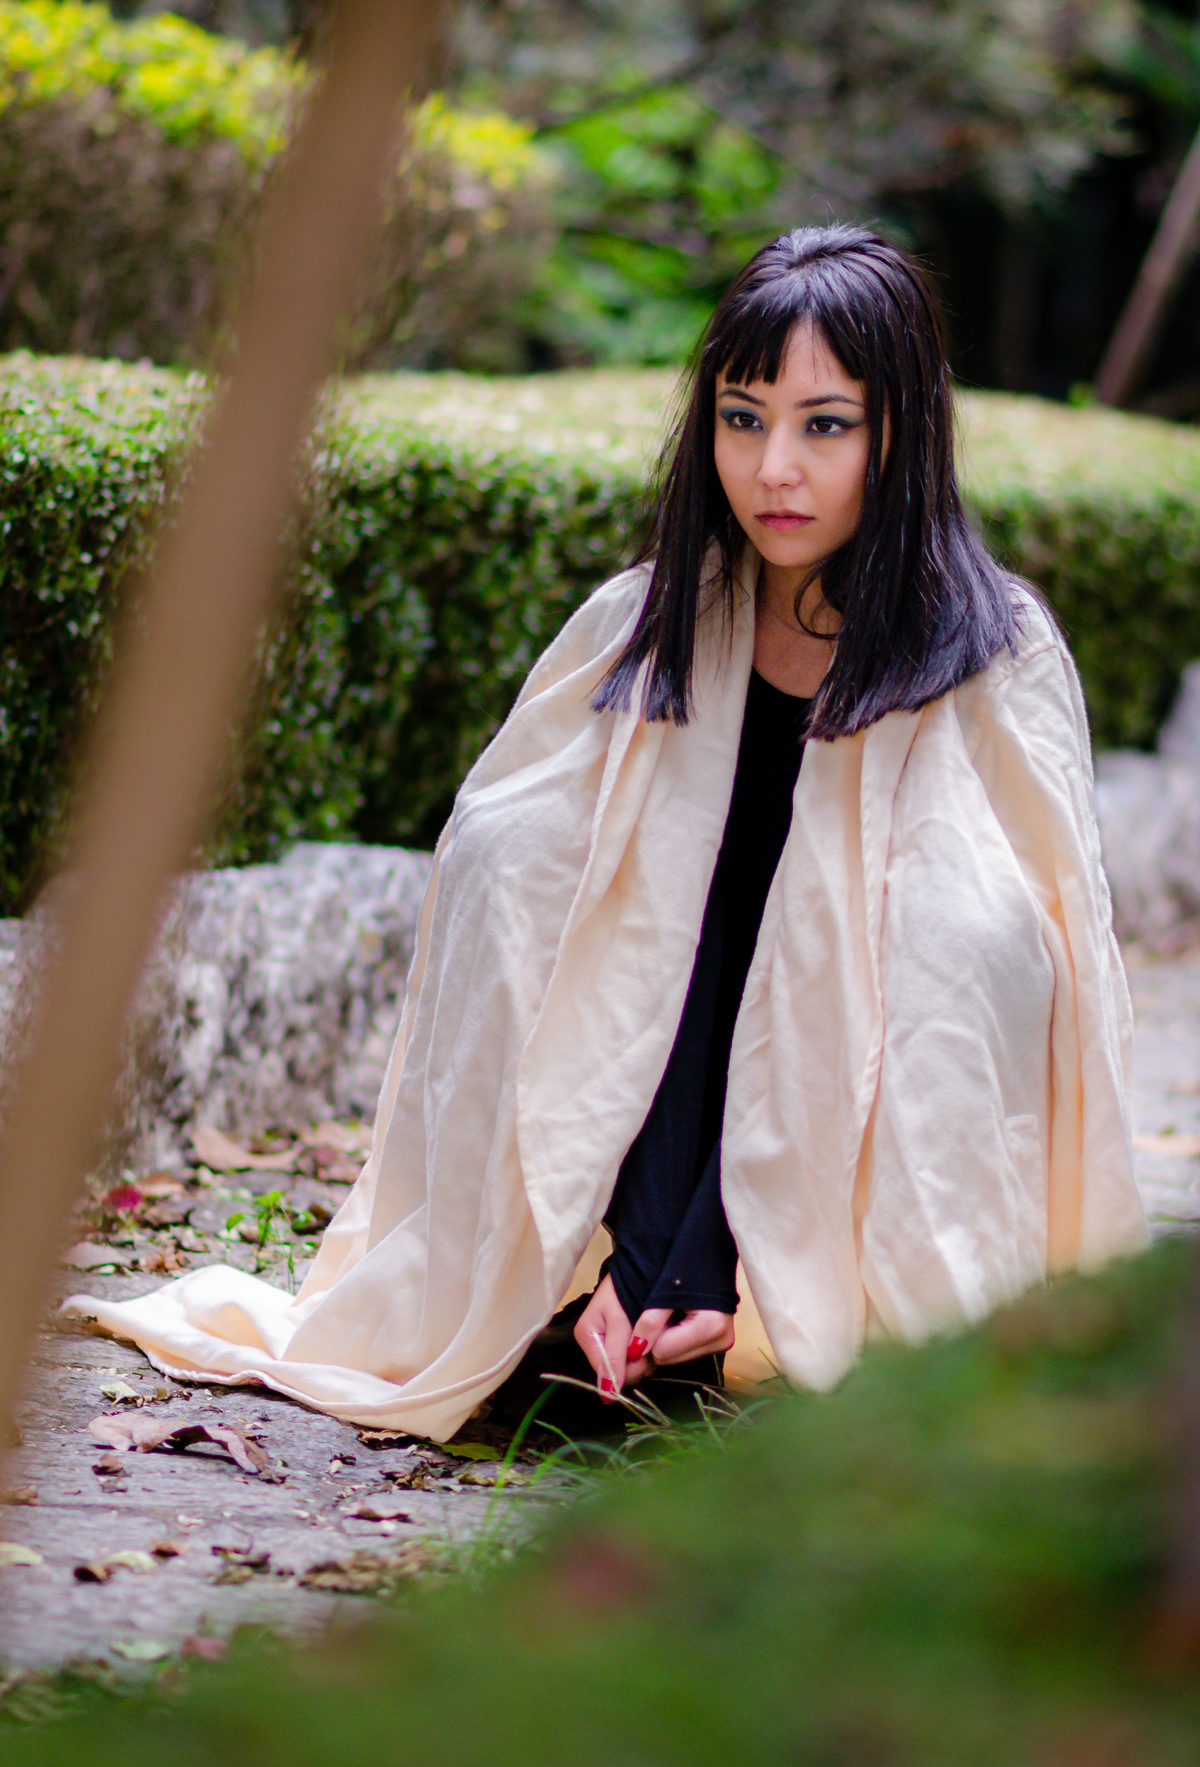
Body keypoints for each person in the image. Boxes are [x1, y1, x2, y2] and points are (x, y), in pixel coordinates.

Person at [64, 225, 1146, 1441]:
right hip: (660, 1123)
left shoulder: (991, 650)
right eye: (743, 419)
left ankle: (727, 1301)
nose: (774, 469)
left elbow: (965, 963)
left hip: (844, 1125)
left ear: (899, 433)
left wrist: (715, 1252)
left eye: (825, 425)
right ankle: (626, 1296)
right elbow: (629, 937)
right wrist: (653, 1256)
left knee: (939, 934)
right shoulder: (652, 620)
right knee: (571, 873)